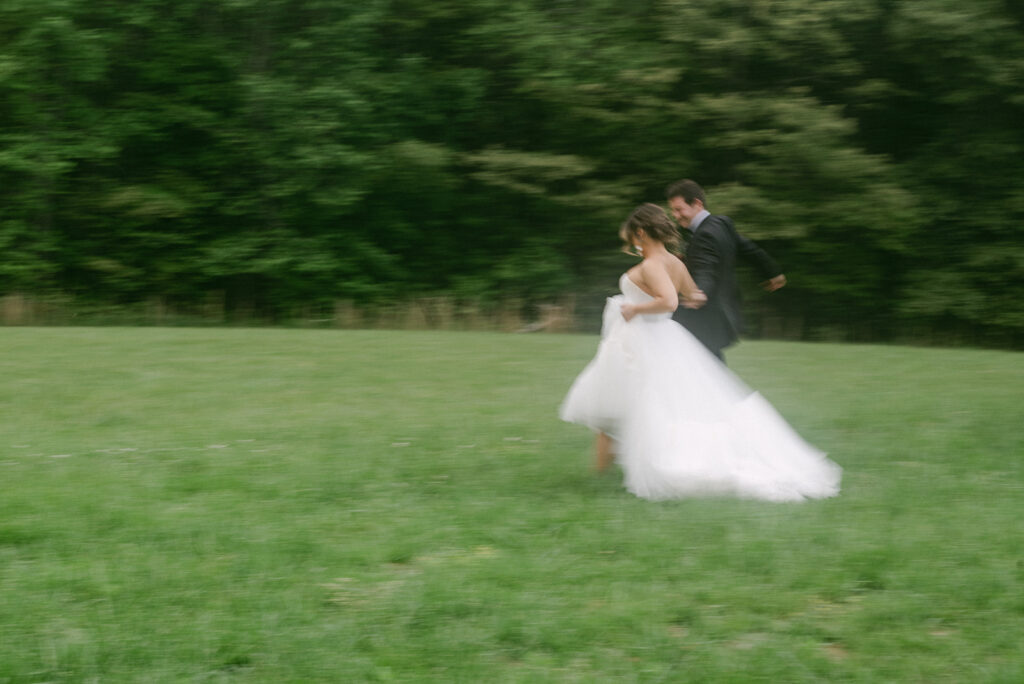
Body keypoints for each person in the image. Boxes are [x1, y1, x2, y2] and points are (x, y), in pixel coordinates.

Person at [560, 203, 840, 502]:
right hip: (659, 339)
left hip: (642, 341)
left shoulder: (653, 265)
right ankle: (603, 475)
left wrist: (635, 308)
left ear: (641, 232)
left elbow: (668, 301)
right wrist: (693, 296)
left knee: (622, 410)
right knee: (634, 409)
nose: (632, 246)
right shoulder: (675, 264)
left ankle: (607, 477)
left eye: (633, 239)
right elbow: (693, 295)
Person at [667, 179, 786, 362]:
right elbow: (748, 249)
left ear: (697, 203)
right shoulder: (721, 223)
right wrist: (773, 272)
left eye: (679, 209)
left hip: (704, 316)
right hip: (722, 313)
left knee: (701, 366)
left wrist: (699, 293)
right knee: (708, 366)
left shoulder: (704, 234)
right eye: (673, 210)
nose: (675, 215)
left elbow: (706, 270)